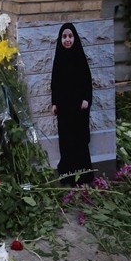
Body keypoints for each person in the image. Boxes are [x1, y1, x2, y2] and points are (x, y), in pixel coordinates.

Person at [50, 22, 94, 185]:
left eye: (70, 36)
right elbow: (55, 83)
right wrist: (54, 103)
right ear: (60, 39)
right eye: (64, 37)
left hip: (79, 108)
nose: (67, 40)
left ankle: (83, 173)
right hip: (64, 108)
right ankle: (68, 173)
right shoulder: (59, 59)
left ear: (74, 38)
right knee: (66, 140)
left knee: (79, 140)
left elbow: (87, 81)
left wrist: (86, 99)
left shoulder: (80, 58)